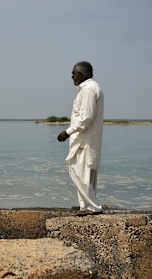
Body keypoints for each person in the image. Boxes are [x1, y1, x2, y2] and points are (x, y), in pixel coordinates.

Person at [57, 61, 104, 216]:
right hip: (86, 140)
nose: (72, 76)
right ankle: (85, 207)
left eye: (74, 73)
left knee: (80, 173)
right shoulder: (90, 88)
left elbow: (86, 117)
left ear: (81, 73)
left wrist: (67, 132)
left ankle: (93, 207)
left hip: (85, 141)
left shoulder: (89, 90)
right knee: (83, 174)